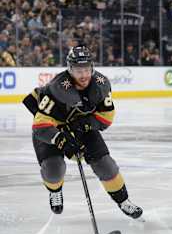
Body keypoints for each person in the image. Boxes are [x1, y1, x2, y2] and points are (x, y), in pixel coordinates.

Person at [22, 45, 143, 219]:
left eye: (86, 69)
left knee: (106, 165)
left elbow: (106, 118)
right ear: (70, 69)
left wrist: (83, 125)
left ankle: (124, 201)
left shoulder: (100, 85)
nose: (84, 75)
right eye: (79, 70)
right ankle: (55, 190)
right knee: (53, 169)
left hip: (81, 126)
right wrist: (61, 139)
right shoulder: (56, 89)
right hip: (52, 128)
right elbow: (40, 127)